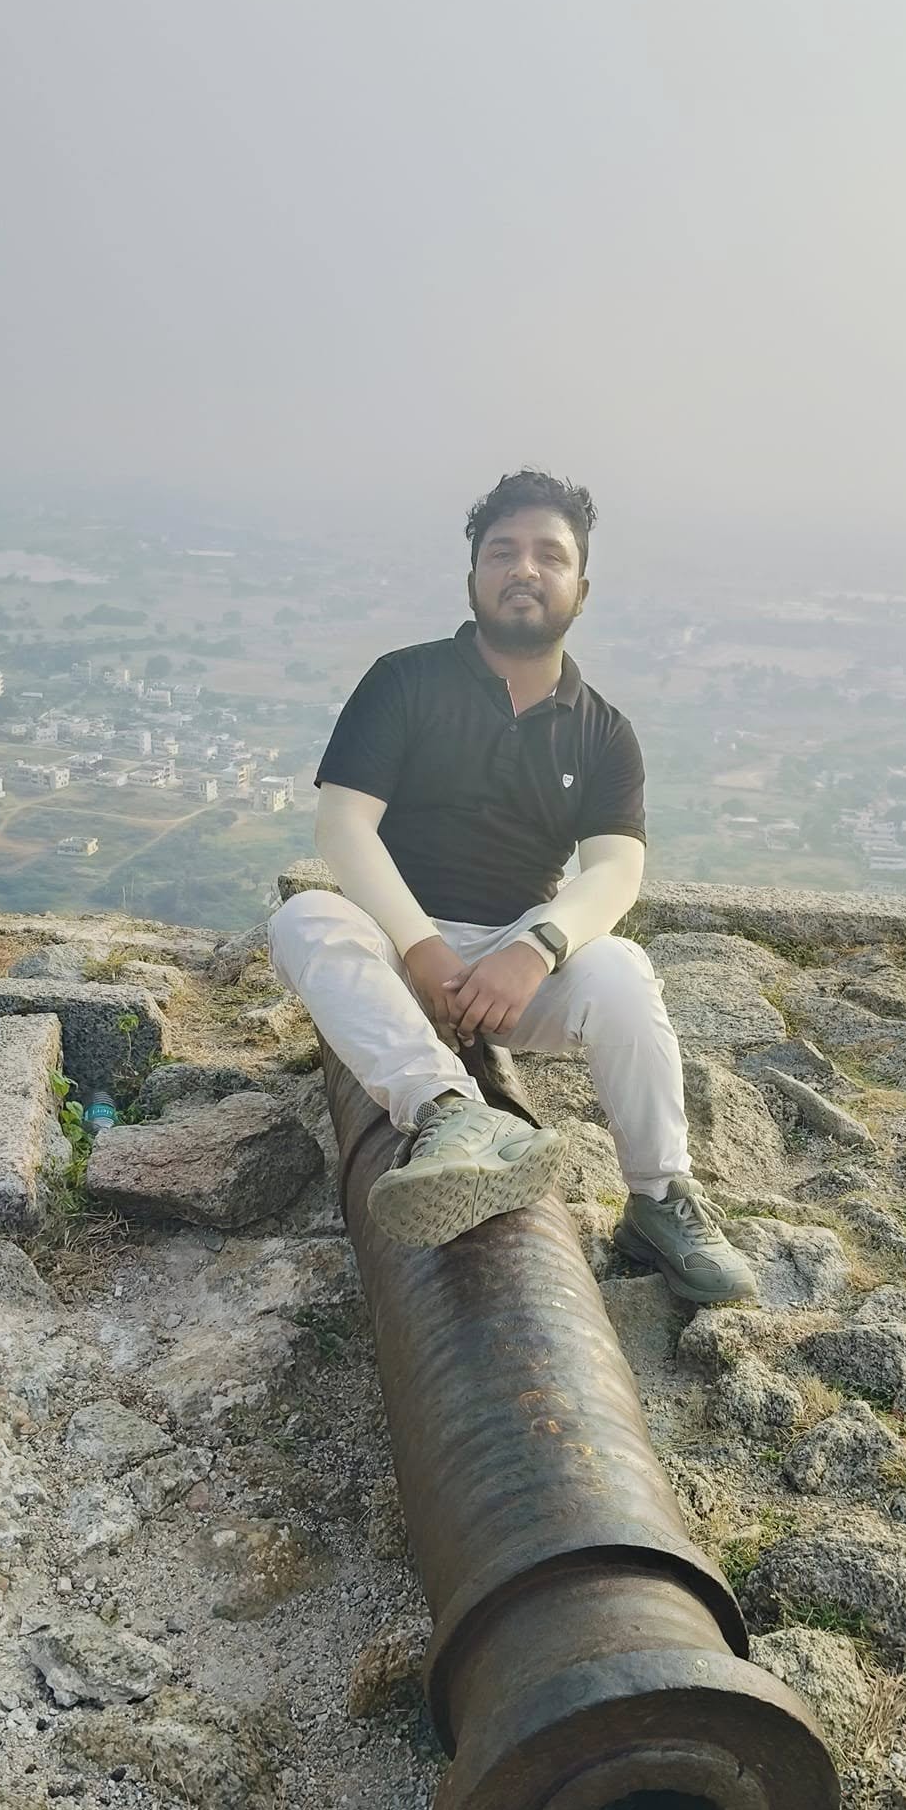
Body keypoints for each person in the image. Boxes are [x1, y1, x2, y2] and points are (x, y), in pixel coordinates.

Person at [268, 469, 756, 1303]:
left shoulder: (604, 734)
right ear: (473, 578)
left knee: (623, 972)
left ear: (581, 587)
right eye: (503, 552)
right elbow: (342, 827)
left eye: (549, 555)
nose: (524, 568)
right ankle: (451, 1111)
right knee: (307, 918)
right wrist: (420, 951)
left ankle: (660, 1196)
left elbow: (615, 870)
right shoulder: (405, 681)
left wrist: (534, 952)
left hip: (513, 967)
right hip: (398, 949)